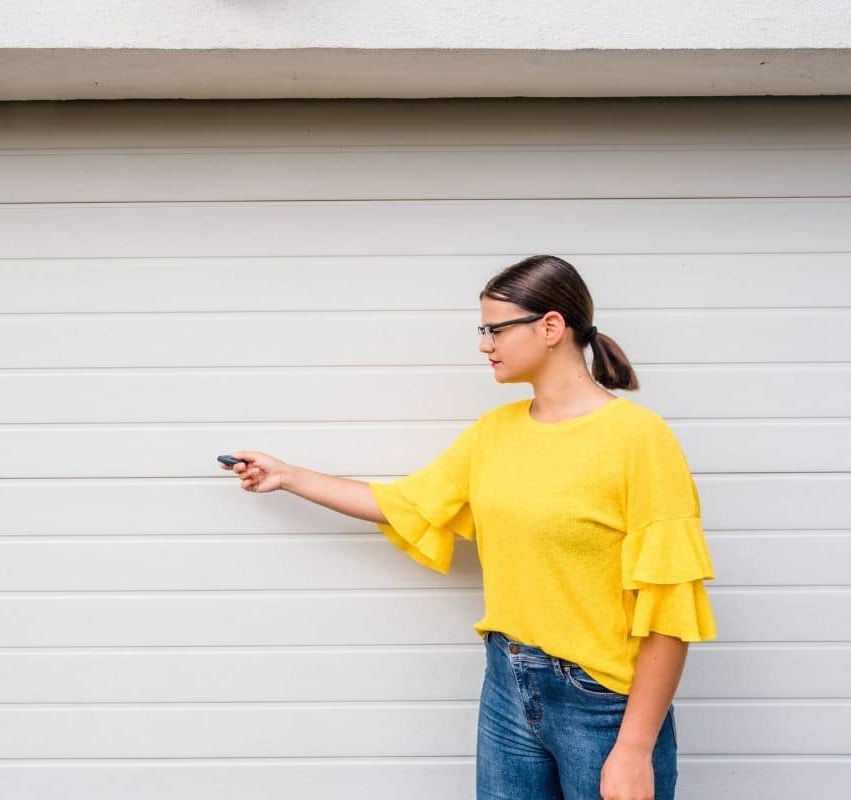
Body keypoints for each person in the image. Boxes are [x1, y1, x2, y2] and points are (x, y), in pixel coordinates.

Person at [218, 254, 717, 800]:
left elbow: (670, 605)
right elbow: (407, 503)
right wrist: (288, 475)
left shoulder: (639, 440)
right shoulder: (494, 432)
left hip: (601, 704)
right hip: (508, 684)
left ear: (551, 327)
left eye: (495, 329)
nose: (485, 345)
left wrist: (635, 747)